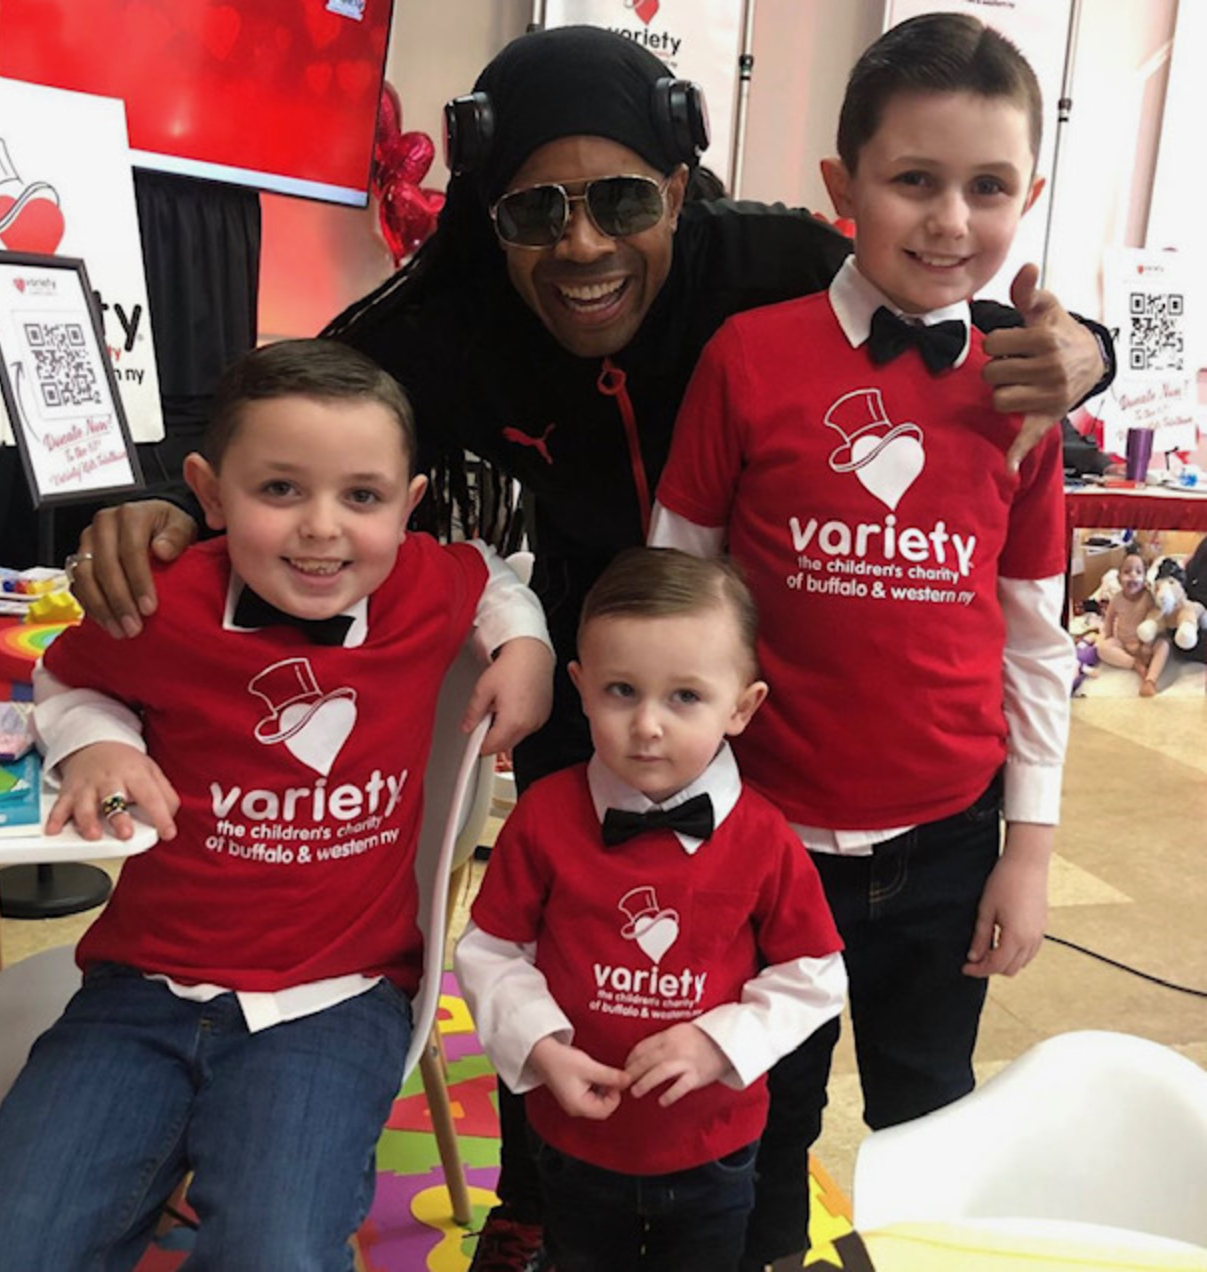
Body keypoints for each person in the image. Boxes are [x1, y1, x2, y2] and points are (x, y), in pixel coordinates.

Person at [63, 25, 1115, 1270]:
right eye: (534, 213)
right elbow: (277, 409)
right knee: (573, 948)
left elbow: (940, 294)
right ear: (488, 218)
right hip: (580, 654)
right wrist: (162, 501)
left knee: (795, 1038)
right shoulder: (444, 312)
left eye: (621, 202)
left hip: (755, 688)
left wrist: (1091, 352)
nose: (582, 247)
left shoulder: (770, 260)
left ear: (676, 188)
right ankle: (539, 1199)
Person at [0, 339, 554, 1271]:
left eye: (362, 496)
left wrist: (528, 645)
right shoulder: (164, 601)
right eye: (280, 490)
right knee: (8, 1247)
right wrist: (99, 742)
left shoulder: (425, 587)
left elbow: (492, 572)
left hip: (338, 996)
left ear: (408, 506)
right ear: (209, 492)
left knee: (277, 1252)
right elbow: (70, 677)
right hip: (142, 985)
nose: (322, 528)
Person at [652, 9, 1077, 1258]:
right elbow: (678, 589)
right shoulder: (746, 359)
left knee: (926, 1112)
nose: (949, 220)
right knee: (761, 1114)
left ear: (1026, 198)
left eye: (987, 187)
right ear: (843, 189)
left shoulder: (1024, 388)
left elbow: (1034, 639)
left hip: (947, 838)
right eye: (913, 181)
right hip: (762, 831)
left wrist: (1028, 850)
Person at [454, 547, 846, 1271]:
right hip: (573, 1140)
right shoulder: (543, 818)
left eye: (685, 697)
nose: (648, 725)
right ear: (580, 688)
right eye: (622, 691)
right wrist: (540, 1045)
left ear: (742, 707)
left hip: (715, 1147)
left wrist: (719, 1044)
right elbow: (490, 950)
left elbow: (815, 974)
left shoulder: (763, 837)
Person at [1096, 547, 1169, 695]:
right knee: (1102, 648)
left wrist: (1147, 645)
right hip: (1124, 644)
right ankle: (1135, 664)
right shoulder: (1116, 599)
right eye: (1127, 572)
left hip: (1145, 646)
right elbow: (1109, 619)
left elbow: (1153, 620)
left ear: (1145, 578)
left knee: (1164, 645)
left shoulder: (1147, 598)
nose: (1133, 576)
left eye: (1138, 572)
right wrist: (1108, 636)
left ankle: (1150, 680)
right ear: (1118, 579)